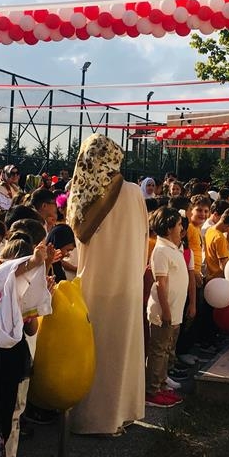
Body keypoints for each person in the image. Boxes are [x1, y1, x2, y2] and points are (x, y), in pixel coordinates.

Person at [66, 135, 147, 436]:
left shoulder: (78, 194)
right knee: (119, 350)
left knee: (91, 351)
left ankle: (87, 417)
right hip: (125, 285)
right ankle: (117, 415)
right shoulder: (132, 191)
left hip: (90, 285)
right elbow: (143, 239)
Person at [145, 207, 188, 408]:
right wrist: (166, 310)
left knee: (166, 349)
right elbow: (160, 283)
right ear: (169, 228)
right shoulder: (161, 251)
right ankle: (152, 391)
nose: (181, 228)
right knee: (159, 351)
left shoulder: (173, 248)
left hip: (175, 311)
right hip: (164, 312)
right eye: (179, 225)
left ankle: (161, 384)